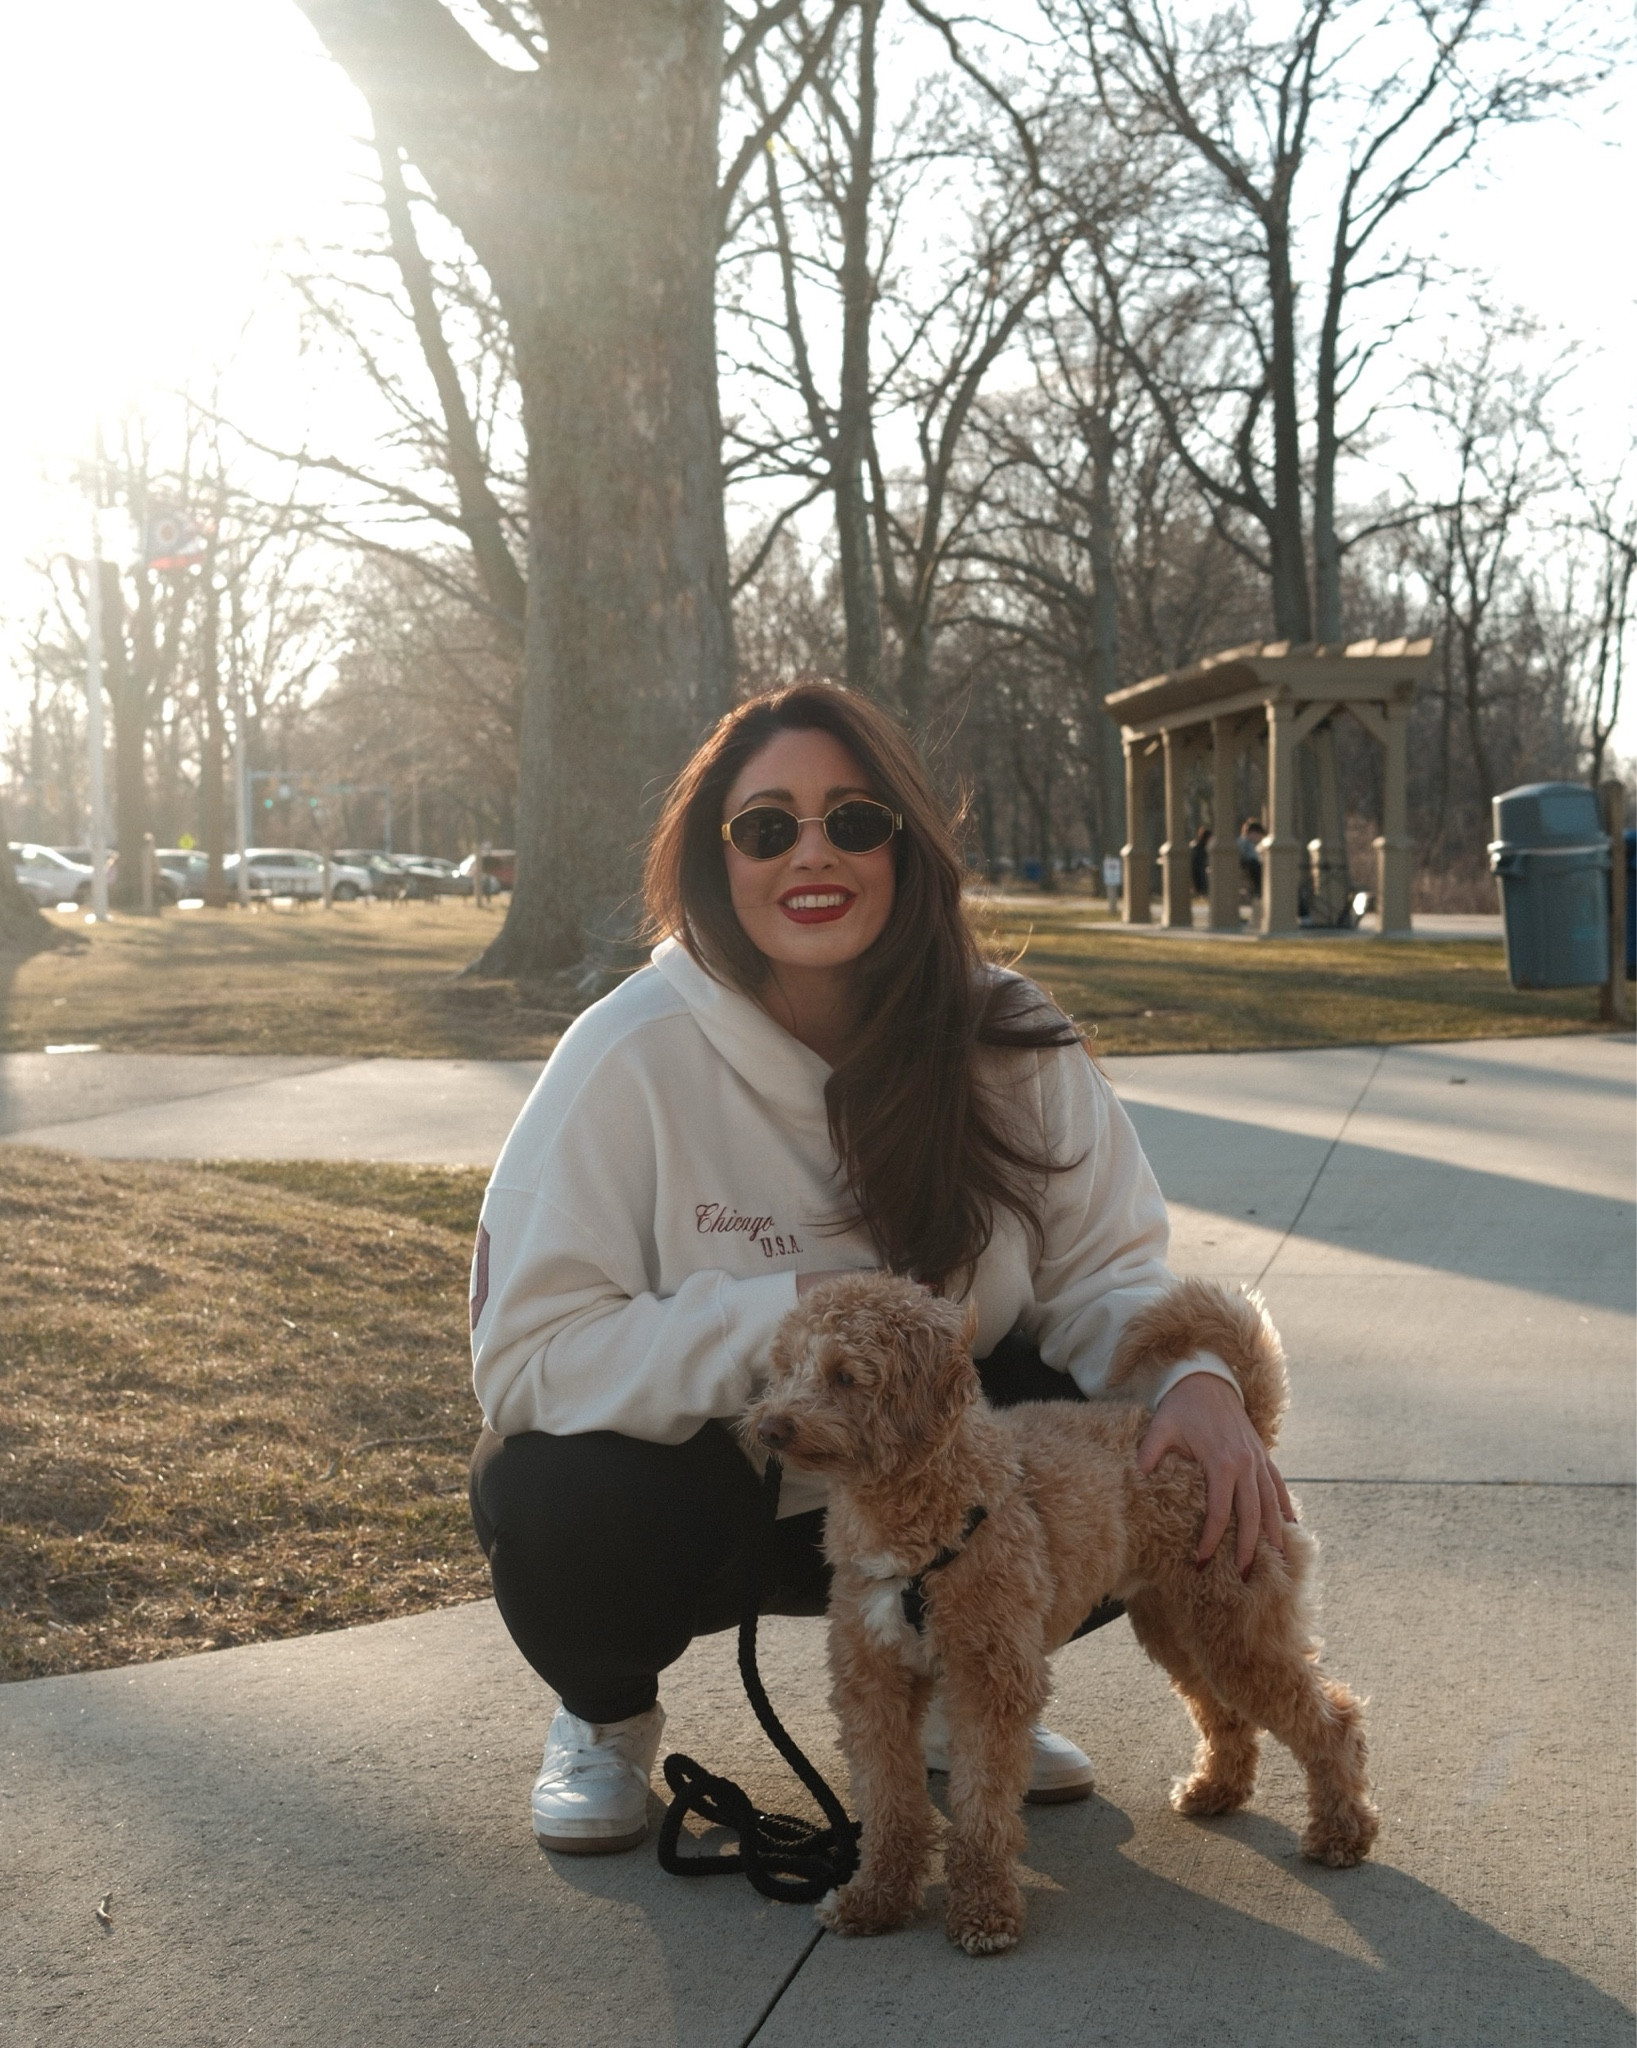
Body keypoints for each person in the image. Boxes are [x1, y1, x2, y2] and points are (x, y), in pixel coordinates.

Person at [468, 683, 1293, 1855]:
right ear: (720, 857)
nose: (813, 851)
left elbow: (1109, 1271)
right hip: (714, 1504)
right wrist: (786, 1320)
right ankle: (602, 1718)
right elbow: (523, 1358)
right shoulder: (626, 1050)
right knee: (548, 1484)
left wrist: (1201, 1379)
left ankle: (970, 1688)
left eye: (852, 819)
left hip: (952, 1501)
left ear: (904, 843)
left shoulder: (1008, 1031)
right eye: (768, 826)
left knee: (1147, 1442)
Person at [1237, 817, 1265, 899]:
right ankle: (1259, 890)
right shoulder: (1243, 842)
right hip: (1247, 866)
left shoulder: (1249, 843)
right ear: (1253, 833)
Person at [1189, 824, 1212, 899]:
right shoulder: (1200, 847)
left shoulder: (1197, 845)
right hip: (1198, 870)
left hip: (1196, 869)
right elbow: (1200, 862)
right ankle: (1203, 892)